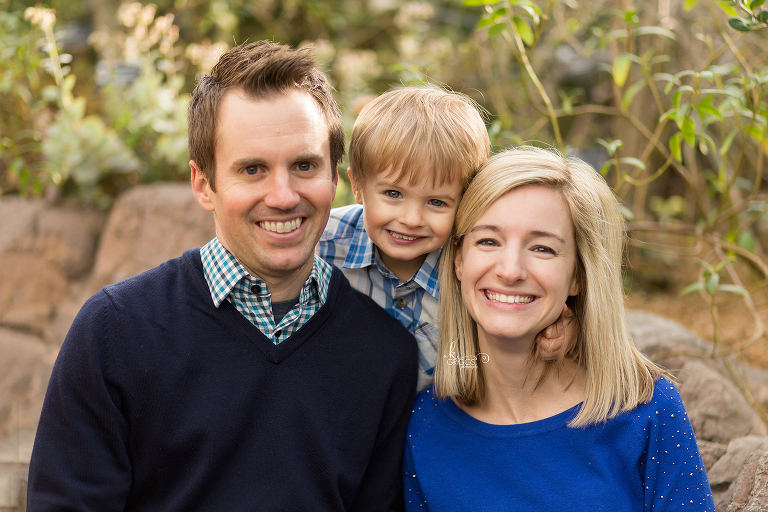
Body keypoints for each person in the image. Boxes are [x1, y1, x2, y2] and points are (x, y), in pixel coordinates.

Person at [27, 41, 418, 512]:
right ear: (202, 184)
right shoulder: (115, 332)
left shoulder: (382, 351)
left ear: (335, 176)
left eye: (304, 166)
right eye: (252, 169)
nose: (282, 195)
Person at [403, 146, 715, 511]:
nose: (510, 270)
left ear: (578, 276)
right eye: (488, 241)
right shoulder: (425, 424)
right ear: (458, 260)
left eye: (543, 248)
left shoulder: (647, 411)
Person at [318, 87, 572, 392]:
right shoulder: (323, 245)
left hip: (438, 424)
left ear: (465, 202)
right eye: (393, 194)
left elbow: (541, 309)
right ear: (357, 186)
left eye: (437, 202)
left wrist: (567, 330)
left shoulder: (477, 268)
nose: (412, 219)